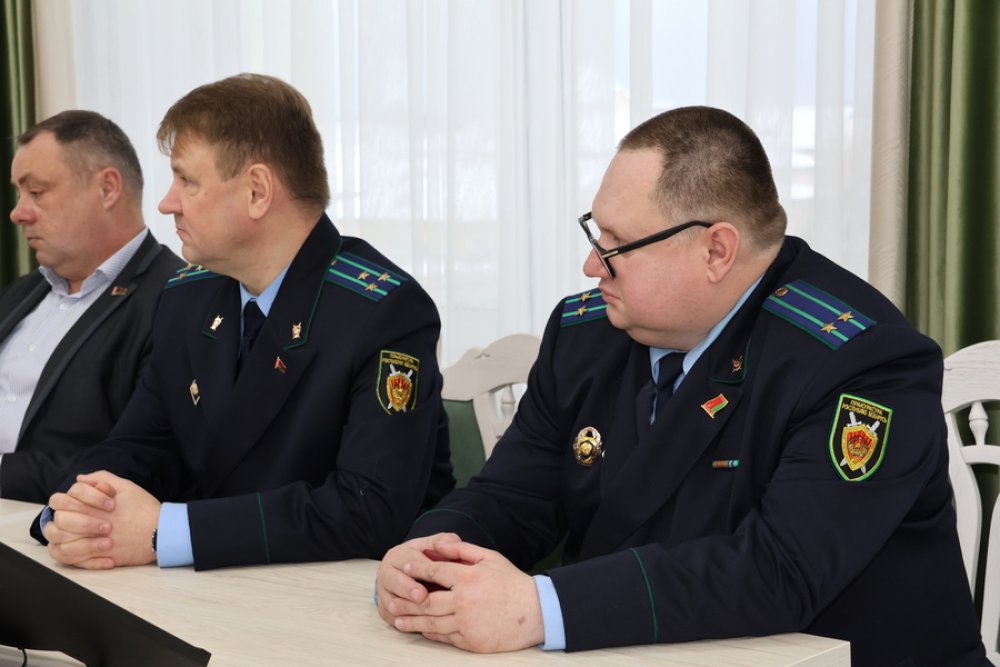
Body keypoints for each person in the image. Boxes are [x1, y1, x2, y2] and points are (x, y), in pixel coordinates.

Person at [375, 106, 989, 666]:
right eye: (595, 233)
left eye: (617, 244)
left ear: (717, 250)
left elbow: (779, 571)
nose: (591, 265)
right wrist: (430, 552)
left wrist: (540, 608)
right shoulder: (585, 334)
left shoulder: (861, 361)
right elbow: (516, 495)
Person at [34, 73, 453, 571]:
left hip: (340, 596)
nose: (167, 203)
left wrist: (164, 533)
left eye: (187, 181)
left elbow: (367, 509)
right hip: (212, 588)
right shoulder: (187, 298)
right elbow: (142, 446)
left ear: (257, 192)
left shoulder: (383, 311)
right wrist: (75, 510)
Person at [1, 111, 183, 502]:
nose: (18, 213)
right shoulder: (20, 294)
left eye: (36, 192)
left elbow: (142, 463)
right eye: (19, 194)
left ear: (107, 189)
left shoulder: (177, 298)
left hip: (50, 523)